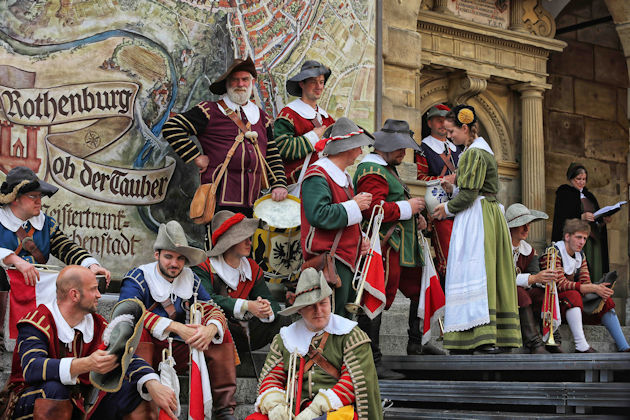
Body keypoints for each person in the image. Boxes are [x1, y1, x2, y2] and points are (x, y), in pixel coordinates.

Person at [2, 265, 176, 420]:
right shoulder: (37, 322)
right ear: (75, 295)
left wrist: (151, 382)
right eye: (94, 289)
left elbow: (123, 356)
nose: (99, 295)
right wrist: (86, 364)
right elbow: (33, 368)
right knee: (55, 389)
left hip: (83, 405)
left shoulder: (98, 324)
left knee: (134, 391)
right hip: (33, 402)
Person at [119, 221, 238, 419]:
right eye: (168, 257)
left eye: (180, 258)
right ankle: (145, 408)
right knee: (140, 333)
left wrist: (210, 328)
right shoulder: (138, 277)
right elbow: (128, 312)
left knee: (219, 332)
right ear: (156, 255)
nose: (174, 264)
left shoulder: (191, 279)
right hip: (145, 354)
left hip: (179, 352)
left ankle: (224, 411)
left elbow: (212, 309)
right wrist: (176, 326)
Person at [354, 119, 444, 370]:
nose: (404, 153)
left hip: (403, 247)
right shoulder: (373, 170)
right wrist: (408, 207)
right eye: (400, 147)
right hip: (385, 247)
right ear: (385, 146)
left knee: (418, 289)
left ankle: (417, 343)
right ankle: (371, 359)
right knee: (378, 297)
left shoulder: (386, 168)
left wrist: (417, 218)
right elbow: (371, 208)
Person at [433, 105, 521, 354]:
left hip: (477, 216)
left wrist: (446, 208)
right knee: (483, 271)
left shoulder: (474, 153)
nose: (449, 136)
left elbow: (471, 194)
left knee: (474, 270)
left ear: (465, 128)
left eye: (451, 131)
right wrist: (453, 190)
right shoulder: (480, 151)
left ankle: (479, 336)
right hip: (487, 212)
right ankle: (482, 334)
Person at [246, 268, 382, 420]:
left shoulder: (351, 336)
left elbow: (353, 381)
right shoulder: (284, 338)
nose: (318, 311)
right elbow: (272, 377)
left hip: (335, 410)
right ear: (300, 310)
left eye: (323, 303)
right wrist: (275, 405)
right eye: (311, 306)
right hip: (293, 410)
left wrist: (317, 408)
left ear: (330, 302)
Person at [162, 56, 287, 218]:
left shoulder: (262, 117)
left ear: (253, 82)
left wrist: (279, 184)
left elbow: (272, 154)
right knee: (222, 243)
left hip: (256, 202)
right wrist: (195, 156)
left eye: (245, 79)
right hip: (220, 201)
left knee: (251, 244)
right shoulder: (209, 111)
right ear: (227, 83)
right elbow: (172, 127)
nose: (241, 84)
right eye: (235, 80)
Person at [300, 117, 373, 317]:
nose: (360, 152)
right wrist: (354, 205)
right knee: (332, 319)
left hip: (344, 260)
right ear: (347, 148)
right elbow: (318, 215)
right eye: (358, 147)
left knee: (342, 321)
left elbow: (344, 217)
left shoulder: (343, 177)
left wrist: (360, 241)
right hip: (330, 261)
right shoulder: (317, 175)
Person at [193, 210, 287, 357]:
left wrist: (266, 309)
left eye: (249, 238)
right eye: (243, 238)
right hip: (216, 336)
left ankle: (277, 367)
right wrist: (247, 306)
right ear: (229, 242)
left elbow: (271, 301)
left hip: (244, 334)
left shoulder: (252, 268)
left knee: (282, 319)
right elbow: (207, 300)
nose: (249, 242)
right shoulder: (204, 266)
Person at [0, 166, 111, 286]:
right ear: (15, 198)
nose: (39, 201)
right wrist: (13, 259)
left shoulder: (45, 223)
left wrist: (91, 265)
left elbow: (65, 247)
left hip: (36, 292)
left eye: (40, 196)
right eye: (33, 196)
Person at [540, 219, 629, 353]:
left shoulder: (580, 255)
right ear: (567, 236)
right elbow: (559, 284)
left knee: (604, 301)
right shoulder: (553, 251)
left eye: (585, 238)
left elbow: (585, 282)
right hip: (553, 305)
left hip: (572, 305)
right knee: (573, 295)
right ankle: (581, 345)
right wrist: (592, 288)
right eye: (579, 237)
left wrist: (599, 290)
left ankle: (624, 347)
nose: (582, 242)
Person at [415, 104, 464, 280]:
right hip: (437, 209)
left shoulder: (458, 149)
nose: (442, 124)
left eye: (445, 120)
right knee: (448, 254)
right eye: (438, 120)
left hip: (459, 207)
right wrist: (444, 180)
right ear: (429, 123)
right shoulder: (423, 148)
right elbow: (419, 178)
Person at [506, 203, 560, 354]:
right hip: (502, 294)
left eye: (528, 224)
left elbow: (534, 276)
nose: (526, 229)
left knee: (543, 295)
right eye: (522, 225)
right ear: (511, 227)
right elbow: (502, 279)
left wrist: (547, 278)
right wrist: (533, 278)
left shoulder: (528, 250)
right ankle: (534, 343)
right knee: (521, 294)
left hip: (521, 294)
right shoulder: (501, 247)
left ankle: (553, 337)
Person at [274, 60, 336, 187]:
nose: (319, 86)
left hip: (324, 184)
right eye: (313, 82)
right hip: (299, 186)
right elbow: (281, 148)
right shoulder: (288, 115)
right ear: (302, 84)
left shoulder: (327, 119)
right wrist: (313, 137)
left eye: (321, 82)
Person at [551, 163, 613, 284]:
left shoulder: (589, 196)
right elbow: (561, 218)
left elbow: (596, 216)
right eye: (578, 179)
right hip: (578, 240)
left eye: (584, 179)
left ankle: (596, 294)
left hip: (594, 240)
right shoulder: (564, 193)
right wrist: (581, 216)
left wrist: (603, 221)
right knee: (583, 269)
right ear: (570, 178)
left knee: (596, 268)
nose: (581, 182)